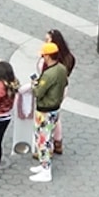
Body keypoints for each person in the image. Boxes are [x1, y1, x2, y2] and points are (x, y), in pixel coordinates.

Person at [30, 41, 67, 183]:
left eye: (44, 56)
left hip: (45, 110)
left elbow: (38, 92)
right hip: (55, 108)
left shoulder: (49, 74)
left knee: (43, 140)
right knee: (47, 137)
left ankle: (46, 170)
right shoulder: (62, 69)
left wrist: (35, 85)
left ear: (48, 56)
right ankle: (43, 165)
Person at [44, 29, 75, 156]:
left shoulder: (51, 62)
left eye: (47, 40)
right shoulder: (69, 58)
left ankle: (49, 145)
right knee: (56, 115)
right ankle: (58, 143)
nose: (45, 42)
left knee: (48, 118)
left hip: (51, 90)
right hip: (63, 89)